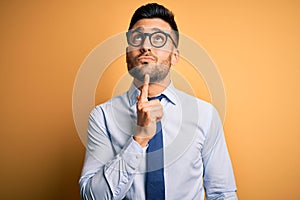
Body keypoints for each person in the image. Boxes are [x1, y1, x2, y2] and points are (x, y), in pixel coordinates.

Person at [79, 3, 237, 200]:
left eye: (159, 39)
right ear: (128, 54)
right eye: (138, 38)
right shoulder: (102, 117)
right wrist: (140, 138)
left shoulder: (205, 115)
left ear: (175, 56)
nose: (146, 46)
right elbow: (93, 197)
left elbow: (222, 193)